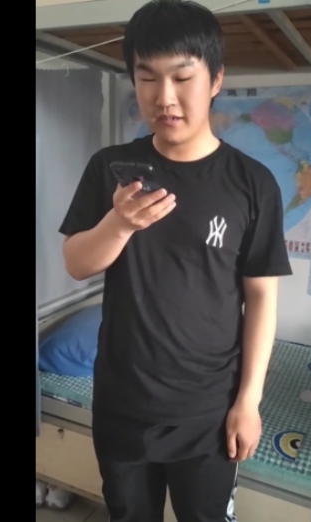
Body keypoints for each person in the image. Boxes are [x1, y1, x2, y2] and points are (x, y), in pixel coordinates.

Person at [59, 1, 293, 520]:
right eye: (147, 78)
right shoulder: (110, 169)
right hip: (121, 404)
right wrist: (119, 224)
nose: (164, 97)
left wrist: (248, 402)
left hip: (208, 411)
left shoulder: (252, 184)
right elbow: (76, 262)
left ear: (216, 79)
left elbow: (261, 298)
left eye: (182, 78)